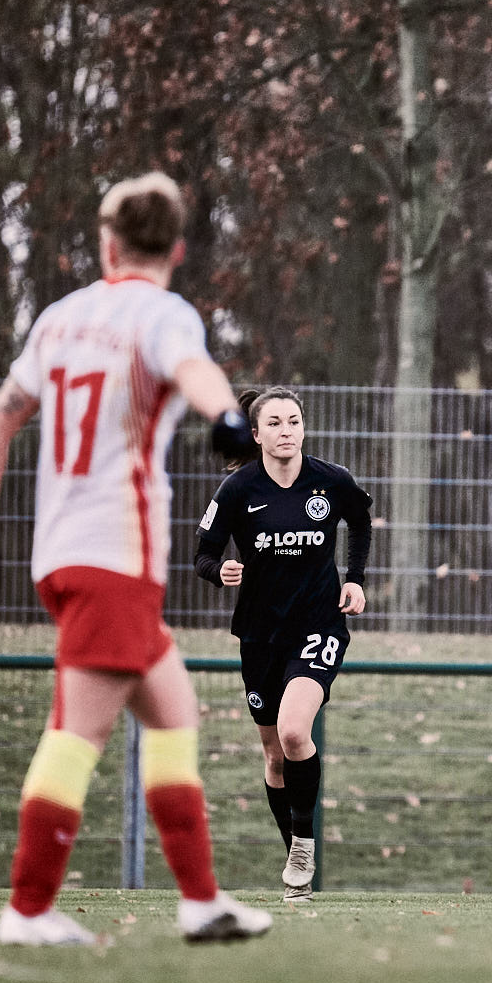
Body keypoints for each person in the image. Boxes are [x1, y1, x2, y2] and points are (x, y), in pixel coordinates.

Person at [0, 171, 274, 946]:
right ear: (180, 249)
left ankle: (201, 902)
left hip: (61, 554)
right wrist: (228, 415)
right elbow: (193, 371)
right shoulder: (161, 313)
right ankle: (26, 911)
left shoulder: (61, 319)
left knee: (173, 711)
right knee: (76, 735)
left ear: (108, 242)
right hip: (114, 556)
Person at [193, 386, 372, 901]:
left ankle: (304, 848)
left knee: (296, 733)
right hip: (259, 633)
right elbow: (203, 554)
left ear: (302, 427)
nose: (286, 430)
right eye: (274, 423)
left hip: (319, 624)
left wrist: (355, 578)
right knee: (274, 757)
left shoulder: (330, 481)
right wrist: (218, 570)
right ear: (257, 434)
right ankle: (294, 849)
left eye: (293, 421)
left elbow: (359, 520)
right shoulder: (237, 490)